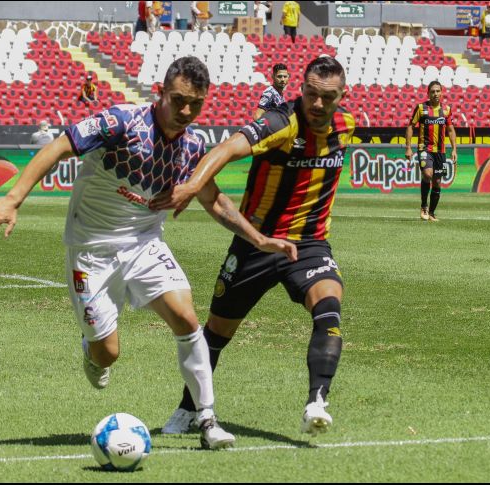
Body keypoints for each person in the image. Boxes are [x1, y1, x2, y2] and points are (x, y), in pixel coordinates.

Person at [0, 56, 297, 450]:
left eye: (195, 104)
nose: (185, 111)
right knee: (108, 354)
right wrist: (12, 199)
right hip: (91, 251)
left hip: (145, 243)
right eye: (178, 100)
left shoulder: (194, 145)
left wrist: (258, 239)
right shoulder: (120, 124)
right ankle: (92, 351)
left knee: (186, 317)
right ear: (159, 92)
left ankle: (208, 419)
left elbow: (214, 201)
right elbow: (60, 146)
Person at [150, 56, 356, 437]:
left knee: (329, 307)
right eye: (311, 94)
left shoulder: (348, 126)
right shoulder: (280, 122)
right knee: (216, 333)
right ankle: (188, 408)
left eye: (328, 97)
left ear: (343, 96)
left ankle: (317, 401)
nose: (317, 104)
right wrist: (194, 185)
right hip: (255, 244)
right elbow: (227, 149)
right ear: (302, 89)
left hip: (308, 244)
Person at [405, 80, 458, 223]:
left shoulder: (446, 110)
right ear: (428, 93)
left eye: (438, 91)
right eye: (432, 91)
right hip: (424, 148)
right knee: (427, 174)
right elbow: (410, 126)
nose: (435, 94)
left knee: (437, 182)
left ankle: (432, 213)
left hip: (440, 151)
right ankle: (424, 206)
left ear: (441, 92)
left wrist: (454, 149)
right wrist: (408, 147)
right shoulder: (421, 108)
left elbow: (451, 130)